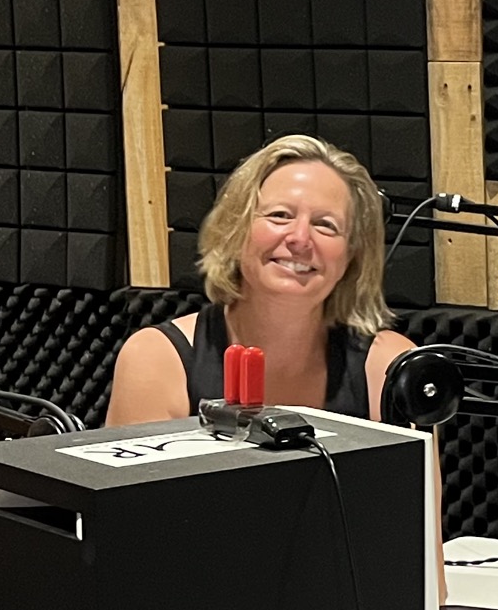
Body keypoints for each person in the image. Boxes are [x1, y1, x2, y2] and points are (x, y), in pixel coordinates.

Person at [106, 133, 417, 426]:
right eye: (280, 215)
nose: (300, 238)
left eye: (325, 225)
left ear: (352, 256)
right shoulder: (157, 361)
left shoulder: (393, 368)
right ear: (236, 229)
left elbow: (419, 485)